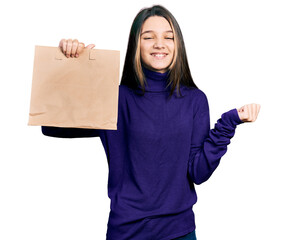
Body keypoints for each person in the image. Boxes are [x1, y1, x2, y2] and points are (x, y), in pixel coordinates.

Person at [42, 5, 260, 240]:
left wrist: (228, 123)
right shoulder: (115, 98)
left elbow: (198, 172)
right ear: (137, 44)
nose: (159, 44)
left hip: (180, 231)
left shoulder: (195, 100)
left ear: (178, 45)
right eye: (148, 37)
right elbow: (52, 125)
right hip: (128, 231)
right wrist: (71, 65)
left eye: (168, 37)